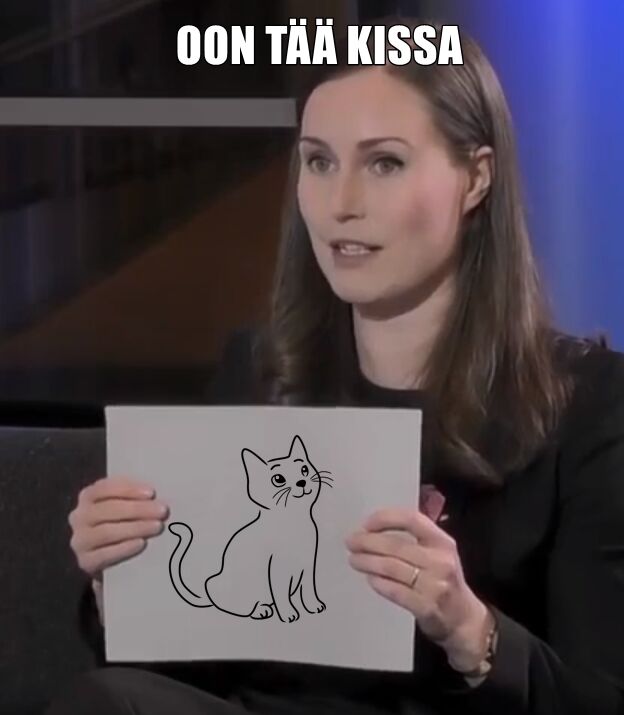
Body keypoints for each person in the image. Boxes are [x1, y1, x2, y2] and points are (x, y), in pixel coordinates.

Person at [47, 18, 624, 715]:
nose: (341, 205)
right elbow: (194, 666)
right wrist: (126, 581)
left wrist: (473, 632)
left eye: (384, 163)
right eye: (318, 162)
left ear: (476, 178)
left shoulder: (588, 404)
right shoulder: (258, 372)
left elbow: (599, 696)